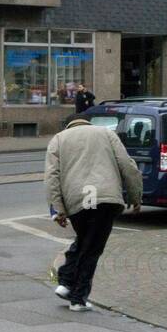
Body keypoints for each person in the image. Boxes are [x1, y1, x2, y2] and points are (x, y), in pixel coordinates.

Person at [45, 115, 142, 312]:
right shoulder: (106, 133)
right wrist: (135, 196)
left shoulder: (58, 139)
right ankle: (78, 298)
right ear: (88, 122)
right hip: (105, 198)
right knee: (92, 247)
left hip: (78, 201)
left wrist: (58, 210)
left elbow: (51, 177)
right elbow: (127, 165)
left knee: (85, 241)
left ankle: (66, 282)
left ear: (69, 124)